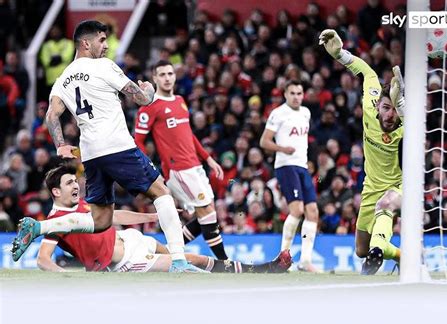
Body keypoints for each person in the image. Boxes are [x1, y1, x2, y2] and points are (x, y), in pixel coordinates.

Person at [11, 20, 201, 273]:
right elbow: (141, 99)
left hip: (91, 155)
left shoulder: (62, 79)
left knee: (100, 220)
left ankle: (39, 227)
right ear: (85, 43)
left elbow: (51, 115)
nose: (106, 46)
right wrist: (149, 90)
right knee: (161, 192)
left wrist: (60, 144)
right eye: (101, 40)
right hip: (117, 145)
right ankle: (178, 261)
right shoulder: (104, 66)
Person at [37, 165, 291, 274]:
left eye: (75, 181)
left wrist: (152, 215)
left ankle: (260, 268)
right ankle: (260, 270)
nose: (76, 186)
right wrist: (67, 275)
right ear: (56, 192)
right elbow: (42, 259)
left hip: (131, 239)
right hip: (126, 261)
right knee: (189, 267)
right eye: (69, 183)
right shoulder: (55, 221)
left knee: (190, 258)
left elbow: (112, 217)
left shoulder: (81, 205)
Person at [319, 29, 404, 275]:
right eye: (386, 108)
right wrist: (340, 54)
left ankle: (377, 253)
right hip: (371, 187)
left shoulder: (407, 125)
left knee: (387, 203)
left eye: (395, 110)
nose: (390, 115)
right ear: (377, 105)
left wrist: (403, 109)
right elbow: (368, 73)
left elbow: (420, 127)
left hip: (401, 187)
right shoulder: (370, 105)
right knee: (360, 249)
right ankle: (401, 256)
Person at [134, 60, 229, 260]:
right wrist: (150, 171)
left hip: (195, 166)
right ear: (155, 78)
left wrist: (208, 159)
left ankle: (168, 253)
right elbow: (138, 141)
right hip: (178, 169)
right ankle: (225, 262)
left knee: (206, 215)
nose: (167, 78)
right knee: (207, 212)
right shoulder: (150, 107)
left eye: (170, 73)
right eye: (162, 74)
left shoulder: (180, 100)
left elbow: (188, 134)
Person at [260, 79, 319, 272]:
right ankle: (282, 258)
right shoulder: (278, 113)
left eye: (299, 93)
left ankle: (306, 261)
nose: (296, 97)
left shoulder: (306, 113)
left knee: (313, 212)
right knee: (297, 210)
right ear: (285, 94)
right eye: (292, 93)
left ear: (303, 95)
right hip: (286, 165)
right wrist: (282, 149)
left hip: (302, 166)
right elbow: (264, 141)